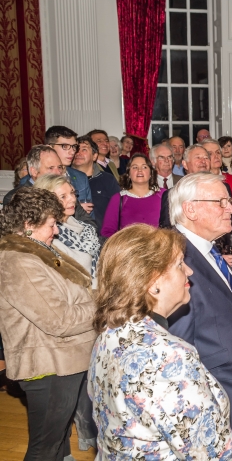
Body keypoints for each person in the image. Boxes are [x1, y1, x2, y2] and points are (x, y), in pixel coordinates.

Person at [89, 224, 232, 460]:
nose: (189, 272)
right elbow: (211, 453)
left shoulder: (109, 334)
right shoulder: (169, 357)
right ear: (153, 283)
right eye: (180, 264)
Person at [0, 187, 96, 461]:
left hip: (62, 361)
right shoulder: (18, 261)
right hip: (48, 366)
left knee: (57, 444)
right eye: (52, 225)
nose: (56, 231)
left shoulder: (38, 252)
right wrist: (104, 302)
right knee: (45, 447)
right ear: (28, 225)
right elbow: (60, 320)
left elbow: (74, 297)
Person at [167, 173, 232, 435]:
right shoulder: (172, 257)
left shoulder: (207, 249)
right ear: (191, 209)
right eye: (221, 202)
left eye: (229, 201)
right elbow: (179, 346)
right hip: (211, 398)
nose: (231, 208)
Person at [34, 174, 102, 282]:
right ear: (47, 202)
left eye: (72, 193)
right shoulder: (50, 235)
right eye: (63, 196)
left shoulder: (85, 228)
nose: (72, 199)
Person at [101, 153, 164, 237]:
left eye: (144, 167)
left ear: (151, 173)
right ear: (129, 174)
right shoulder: (118, 199)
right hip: (129, 248)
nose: (140, 170)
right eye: (135, 167)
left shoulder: (163, 195)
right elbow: (107, 232)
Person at [45, 125, 95, 219]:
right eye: (65, 146)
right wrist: (76, 210)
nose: (72, 152)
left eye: (74, 147)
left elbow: (91, 217)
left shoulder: (81, 177)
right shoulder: (36, 178)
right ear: (50, 148)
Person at [73, 135, 121, 231]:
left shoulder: (107, 179)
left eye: (84, 149)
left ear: (94, 156)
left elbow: (119, 210)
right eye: (76, 149)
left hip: (104, 237)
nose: (78, 153)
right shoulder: (65, 179)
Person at [203, 139, 232, 218]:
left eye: (218, 152)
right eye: (210, 153)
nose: (216, 156)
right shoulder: (199, 181)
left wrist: (221, 204)